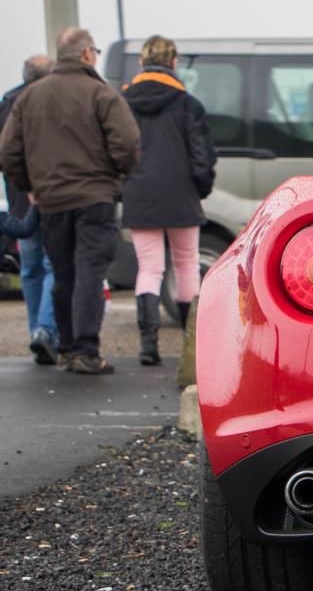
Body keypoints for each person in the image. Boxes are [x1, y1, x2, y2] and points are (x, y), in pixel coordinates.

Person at [0, 28, 140, 375]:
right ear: (86, 54)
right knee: (90, 272)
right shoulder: (101, 94)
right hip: (94, 198)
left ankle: (65, 347)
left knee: (63, 274)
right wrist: (116, 177)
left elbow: (8, 150)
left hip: (51, 202)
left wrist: (27, 185)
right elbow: (128, 144)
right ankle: (86, 351)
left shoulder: (30, 97)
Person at [121, 35, 216, 365]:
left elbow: (116, 150)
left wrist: (125, 185)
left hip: (139, 195)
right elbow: (202, 156)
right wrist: (200, 189)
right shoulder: (188, 104)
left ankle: (149, 346)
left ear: (141, 64)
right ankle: (191, 347)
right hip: (181, 195)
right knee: (187, 264)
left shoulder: (123, 102)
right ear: (174, 63)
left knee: (149, 268)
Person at [0, 54, 58, 364]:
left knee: (30, 268)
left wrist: (20, 185)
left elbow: (5, 152)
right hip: (48, 194)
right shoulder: (49, 101)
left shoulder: (8, 101)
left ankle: (36, 327)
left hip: (19, 198)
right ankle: (46, 330)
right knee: (52, 265)